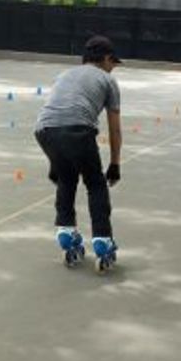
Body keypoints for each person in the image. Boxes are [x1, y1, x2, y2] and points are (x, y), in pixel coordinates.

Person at [34, 35, 123, 271]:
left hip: (44, 131)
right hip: (78, 130)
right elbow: (114, 128)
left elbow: (55, 114)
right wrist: (114, 164)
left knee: (66, 178)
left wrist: (55, 162)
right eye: (113, 62)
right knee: (95, 183)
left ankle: (66, 231)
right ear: (105, 58)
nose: (113, 68)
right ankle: (103, 239)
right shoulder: (107, 80)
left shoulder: (64, 75)